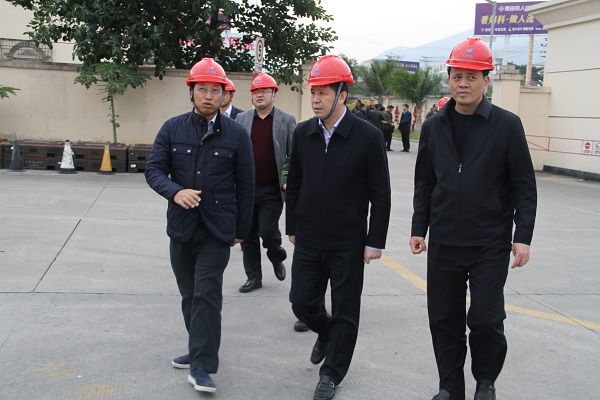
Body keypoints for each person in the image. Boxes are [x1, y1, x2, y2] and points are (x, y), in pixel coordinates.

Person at [409, 37, 537, 400]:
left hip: (489, 242)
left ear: (486, 80)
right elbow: (425, 182)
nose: (463, 83)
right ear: (449, 79)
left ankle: (485, 381)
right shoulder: (434, 126)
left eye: (472, 76)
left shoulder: (507, 125)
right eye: (457, 76)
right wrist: (419, 227)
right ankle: (450, 387)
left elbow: (524, 184)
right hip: (445, 240)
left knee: (485, 319)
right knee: (443, 319)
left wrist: (522, 235)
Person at [145, 58, 255, 394]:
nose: (208, 95)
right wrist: (175, 192)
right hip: (181, 227)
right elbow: (154, 170)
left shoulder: (237, 134)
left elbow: (246, 184)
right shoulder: (172, 128)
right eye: (202, 89)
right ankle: (197, 349)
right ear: (191, 91)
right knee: (190, 294)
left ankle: (203, 366)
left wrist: (242, 230)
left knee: (207, 294)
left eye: (215, 90)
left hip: (217, 229)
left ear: (225, 94)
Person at [286, 55, 391, 400]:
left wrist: (375, 241)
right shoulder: (303, 134)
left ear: (342, 95)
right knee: (301, 302)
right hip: (308, 239)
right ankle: (326, 331)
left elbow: (381, 193)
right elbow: (294, 184)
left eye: (323, 93)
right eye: (313, 92)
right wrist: (292, 225)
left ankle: (331, 373)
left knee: (346, 311)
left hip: (348, 243)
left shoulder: (367, 136)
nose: (315, 100)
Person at [235, 72, 296, 293]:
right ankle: (253, 277)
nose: (259, 95)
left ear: (274, 94)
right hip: (246, 190)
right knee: (247, 236)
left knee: (268, 232)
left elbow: (293, 154)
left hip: (272, 190)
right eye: (255, 91)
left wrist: (287, 179)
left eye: (264, 91)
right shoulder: (241, 119)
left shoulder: (287, 120)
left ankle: (276, 255)